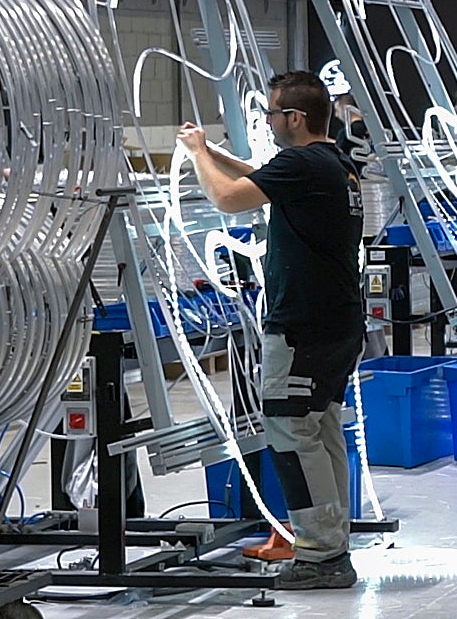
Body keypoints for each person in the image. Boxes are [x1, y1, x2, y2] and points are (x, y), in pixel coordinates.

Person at [177, 70, 363, 590]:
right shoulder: (333, 162)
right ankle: (332, 543)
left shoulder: (303, 164)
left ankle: (321, 555)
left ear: (295, 118)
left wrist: (198, 154)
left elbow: (228, 199)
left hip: (303, 325)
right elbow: (265, 177)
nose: (269, 121)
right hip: (335, 321)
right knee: (320, 428)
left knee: (289, 430)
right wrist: (214, 152)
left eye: (273, 114)